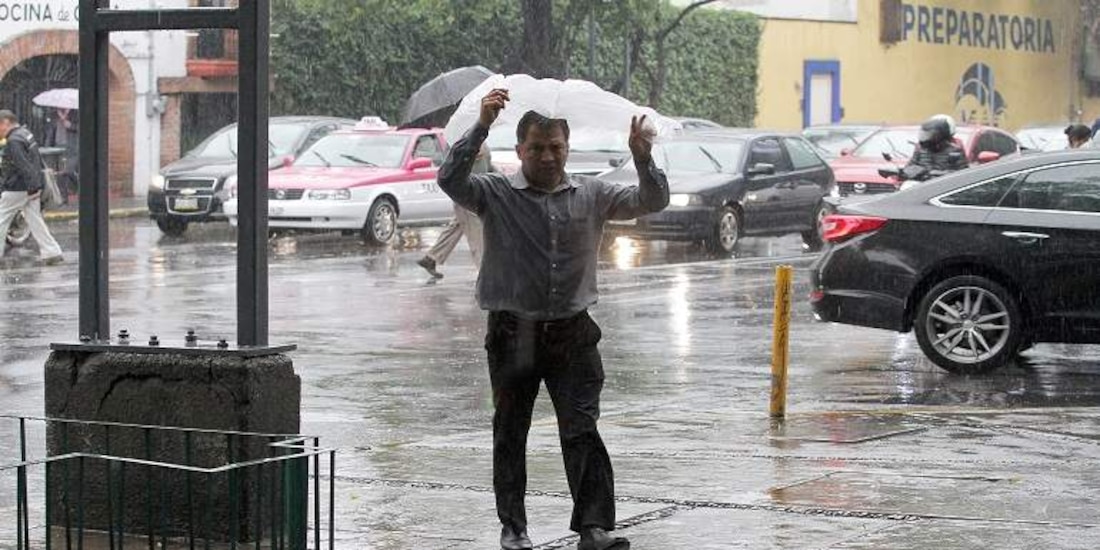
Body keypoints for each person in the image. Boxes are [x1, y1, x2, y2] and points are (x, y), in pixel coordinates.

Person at [438, 89, 668, 550]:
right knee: (510, 430)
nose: (547, 156)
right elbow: (450, 178)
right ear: (519, 150)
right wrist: (481, 125)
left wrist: (643, 157)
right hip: (513, 333)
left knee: (582, 428)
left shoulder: (593, 193)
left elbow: (653, 200)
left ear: (567, 148)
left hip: (573, 332)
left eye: (556, 147)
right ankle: (514, 527)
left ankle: (594, 527)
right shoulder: (495, 193)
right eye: (537, 147)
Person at [417, 142, 490, 278]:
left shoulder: (483, 144)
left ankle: (431, 258)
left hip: (479, 194)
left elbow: (489, 167)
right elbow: (451, 169)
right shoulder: (462, 145)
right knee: (476, 234)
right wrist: (470, 154)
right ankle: (484, 274)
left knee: (457, 226)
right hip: (466, 196)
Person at [0, 109, 63, 264]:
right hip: (30, 187)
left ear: (6, 122)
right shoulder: (26, 134)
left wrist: (32, 187)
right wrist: (35, 186)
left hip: (18, 187)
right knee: (35, 220)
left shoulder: (14, 140)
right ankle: (52, 252)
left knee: (1, 219)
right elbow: (35, 161)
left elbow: (23, 165)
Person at [45, 108, 79, 205]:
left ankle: (81, 186)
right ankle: (63, 198)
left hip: (72, 148)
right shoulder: (54, 114)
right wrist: (48, 145)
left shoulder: (75, 113)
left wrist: (70, 125)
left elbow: (83, 128)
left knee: (69, 171)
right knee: (60, 173)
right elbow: (50, 130)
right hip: (58, 146)